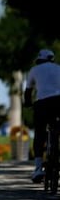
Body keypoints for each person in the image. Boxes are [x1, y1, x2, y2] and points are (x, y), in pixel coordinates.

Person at [24, 48, 60, 183]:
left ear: (40, 59)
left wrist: (27, 103)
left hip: (43, 104)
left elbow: (28, 91)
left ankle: (38, 168)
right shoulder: (59, 68)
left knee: (39, 133)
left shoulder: (34, 70)